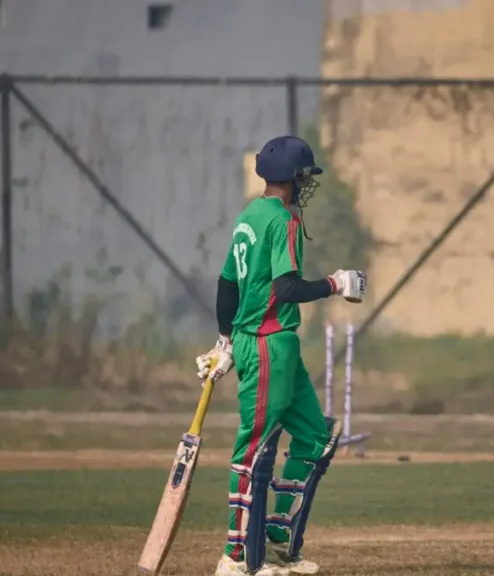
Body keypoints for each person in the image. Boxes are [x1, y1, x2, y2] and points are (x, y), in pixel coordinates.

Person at [196, 135, 367, 576]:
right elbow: (286, 288)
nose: (307, 182)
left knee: (315, 437)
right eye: (306, 175)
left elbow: (226, 284)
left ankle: (273, 543)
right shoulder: (283, 222)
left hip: (273, 344)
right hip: (268, 342)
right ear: (293, 178)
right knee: (253, 450)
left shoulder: (249, 216)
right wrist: (335, 284)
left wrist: (224, 339)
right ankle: (235, 558)